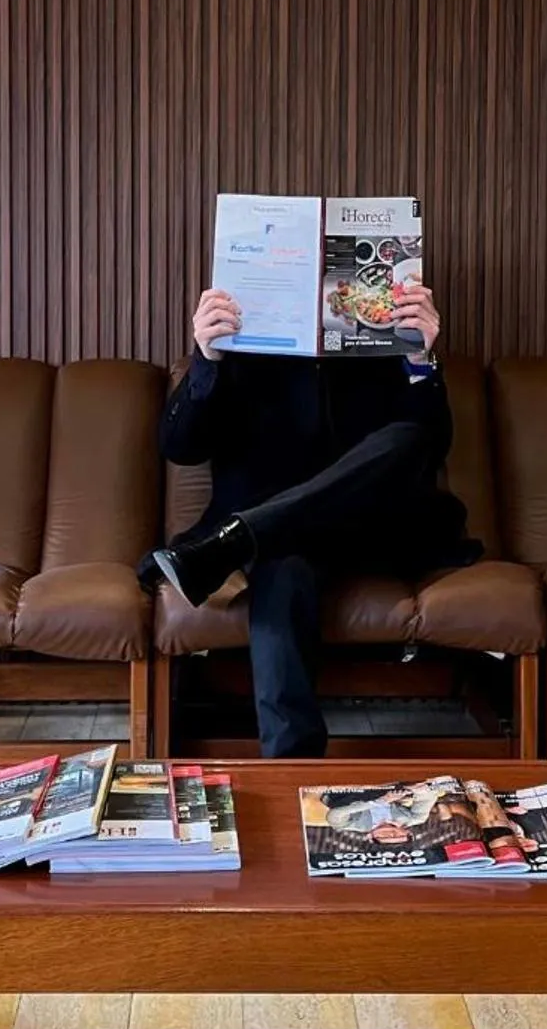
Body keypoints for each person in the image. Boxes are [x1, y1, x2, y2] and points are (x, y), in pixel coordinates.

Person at [143, 279, 479, 758]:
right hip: (284, 543)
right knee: (281, 568)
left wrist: (420, 359)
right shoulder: (241, 346)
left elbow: (431, 445)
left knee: (408, 437)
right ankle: (290, 768)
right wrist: (207, 356)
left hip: (368, 528)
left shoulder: (382, 344)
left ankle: (237, 540)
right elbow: (179, 447)